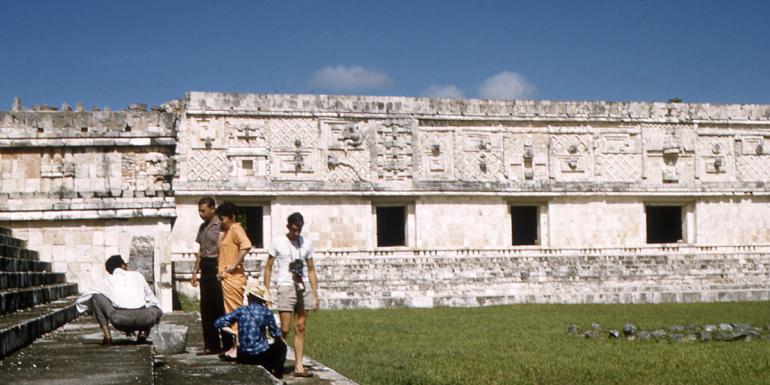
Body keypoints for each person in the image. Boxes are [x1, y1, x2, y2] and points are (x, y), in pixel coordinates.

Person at [263, 212, 319, 378]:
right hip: (285, 286)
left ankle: (299, 366)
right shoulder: (278, 242)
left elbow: (311, 269)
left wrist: (315, 294)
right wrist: (266, 291)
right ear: (288, 227)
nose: (297, 233)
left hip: (303, 288)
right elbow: (268, 267)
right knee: (285, 328)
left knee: (300, 327)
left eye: (299, 230)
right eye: (294, 229)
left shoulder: (306, 243)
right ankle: (272, 359)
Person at [75, 255, 163, 345]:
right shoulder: (138, 276)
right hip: (145, 319)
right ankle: (143, 334)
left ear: (110, 271)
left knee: (97, 297)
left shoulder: (105, 281)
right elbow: (152, 299)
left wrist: (90, 309)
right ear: (123, 266)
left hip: (120, 320)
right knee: (156, 307)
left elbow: (81, 300)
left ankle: (107, 337)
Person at [214, 282, 286, 378]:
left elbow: (219, 323)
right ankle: (278, 375)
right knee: (282, 347)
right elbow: (275, 334)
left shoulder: (241, 310)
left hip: (243, 355)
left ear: (250, 297)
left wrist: (233, 332)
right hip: (259, 355)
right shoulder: (266, 312)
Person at [190, 196, 231, 355]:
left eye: (204, 211)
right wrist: (195, 271)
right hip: (205, 268)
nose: (201, 214)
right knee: (206, 309)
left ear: (213, 209)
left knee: (220, 307)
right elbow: (200, 251)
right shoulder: (203, 227)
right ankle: (211, 345)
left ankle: (227, 344)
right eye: (199, 211)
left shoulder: (221, 225)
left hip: (217, 266)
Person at [215, 201, 252, 360]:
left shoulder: (236, 228)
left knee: (234, 313)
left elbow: (246, 245)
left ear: (231, 217)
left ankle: (239, 347)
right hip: (226, 277)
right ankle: (234, 346)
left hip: (233, 277)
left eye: (223, 219)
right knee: (230, 313)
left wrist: (233, 265)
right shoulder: (228, 230)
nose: (221, 222)